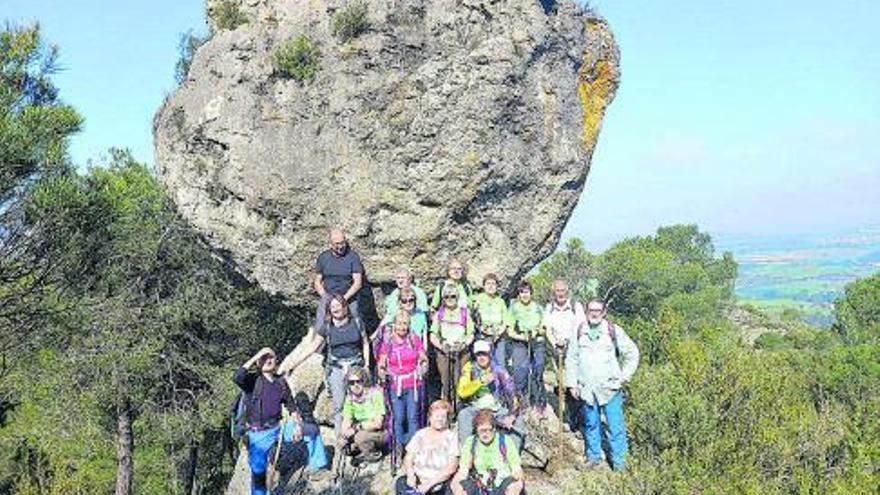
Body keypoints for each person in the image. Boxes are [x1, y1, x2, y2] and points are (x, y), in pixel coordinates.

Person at [565, 299, 640, 471]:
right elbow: (572, 358)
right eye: (591, 310)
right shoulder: (579, 331)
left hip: (610, 389)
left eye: (598, 310)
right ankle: (593, 456)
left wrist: (624, 376)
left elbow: (632, 353)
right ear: (586, 311)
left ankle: (620, 463)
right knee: (591, 424)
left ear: (604, 311)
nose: (594, 313)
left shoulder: (613, 330)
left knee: (615, 426)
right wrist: (572, 384)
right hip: (587, 389)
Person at [281, 294, 369, 435]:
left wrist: (367, 365)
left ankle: (360, 435)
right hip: (336, 368)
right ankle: (341, 439)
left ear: (345, 307)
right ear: (329, 309)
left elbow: (365, 343)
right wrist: (293, 363)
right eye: (332, 306)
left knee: (359, 401)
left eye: (338, 305)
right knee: (339, 404)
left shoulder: (357, 322)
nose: (336, 308)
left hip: (356, 366)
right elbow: (312, 347)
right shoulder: (327, 327)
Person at [233, 347, 311, 495]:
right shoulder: (252, 381)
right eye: (264, 358)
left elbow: (291, 406)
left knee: (312, 432)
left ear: (276, 360)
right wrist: (257, 355)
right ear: (258, 362)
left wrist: (298, 425)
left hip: (278, 430)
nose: (268, 360)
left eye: (271, 357)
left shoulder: (280, 383)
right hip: (258, 434)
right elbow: (237, 377)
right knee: (259, 475)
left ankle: (319, 469)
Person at [377, 311, 429, 459]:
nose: (402, 327)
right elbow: (382, 361)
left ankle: (412, 450)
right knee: (398, 417)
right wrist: (382, 372)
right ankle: (398, 447)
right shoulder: (388, 343)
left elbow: (423, 357)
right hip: (395, 385)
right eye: (399, 323)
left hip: (413, 383)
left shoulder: (414, 339)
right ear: (394, 325)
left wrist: (423, 367)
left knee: (413, 417)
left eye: (405, 323)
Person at [456, 340, 523, 448]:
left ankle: (513, 457)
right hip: (475, 407)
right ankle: (466, 454)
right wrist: (480, 382)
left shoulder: (499, 370)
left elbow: (513, 395)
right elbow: (461, 392)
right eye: (479, 354)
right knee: (463, 415)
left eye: (485, 354)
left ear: (490, 354)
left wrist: (512, 415)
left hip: (496, 409)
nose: (482, 358)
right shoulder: (469, 368)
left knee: (518, 420)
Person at [543, 279, 586, 430]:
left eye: (562, 290)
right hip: (557, 351)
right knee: (561, 384)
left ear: (567, 291)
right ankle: (567, 417)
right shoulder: (549, 308)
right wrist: (555, 343)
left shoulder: (576, 307)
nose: (560, 293)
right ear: (553, 292)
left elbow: (580, 328)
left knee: (574, 383)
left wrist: (568, 341)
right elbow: (547, 329)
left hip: (574, 352)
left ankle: (579, 420)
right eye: (557, 291)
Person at [451, 409, 525, 495]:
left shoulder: (505, 440)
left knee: (514, 486)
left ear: (494, 429)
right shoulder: (471, 442)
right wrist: (457, 484)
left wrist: (517, 483)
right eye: (482, 431)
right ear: (476, 431)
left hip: (502, 481)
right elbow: (463, 469)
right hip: (479, 483)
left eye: (489, 430)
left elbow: (516, 468)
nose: (486, 434)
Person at [395, 400, 460, 495]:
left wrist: (428, 485)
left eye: (443, 417)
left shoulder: (452, 437)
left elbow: (451, 467)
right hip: (418, 480)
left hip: (438, 483)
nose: (440, 419)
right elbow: (408, 458)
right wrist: (410, 474)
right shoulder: (420, 434)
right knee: (400, 482)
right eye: (437, 416)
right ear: (430, 417)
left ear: (447, 419)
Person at [507, 281, 548, 417]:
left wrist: (538, 331)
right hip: (520, 342)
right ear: (518, 294)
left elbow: (545, 326)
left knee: (538, 370)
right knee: (520, 372)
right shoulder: (514, 308)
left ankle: (539, 404)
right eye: (522, 292)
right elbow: (510, 330)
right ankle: (520, 402)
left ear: (531, 293)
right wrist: (521, 336)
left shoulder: (538, 308)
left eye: (527, 292)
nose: (525, 295)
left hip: (537, 342)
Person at [430, 283, 475, 406]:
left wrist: (464, 344)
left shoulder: (464, 313)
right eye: (447, 297)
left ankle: (461, 407)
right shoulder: (439, 314)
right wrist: (441, 346)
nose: (450, 299)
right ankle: (447, 409)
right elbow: (433, 335)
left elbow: (471, 333)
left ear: (458, 297)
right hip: (444, 352)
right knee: (446, 382)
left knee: (460, 381)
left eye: (453, 296)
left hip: (462, 352)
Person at [314, 227, 364, 329]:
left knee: (357, 323)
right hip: (328, 297)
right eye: (337, 244)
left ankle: (363, 343)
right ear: (330, 244)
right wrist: (326, 297)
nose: (340, 246)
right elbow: (317, 282)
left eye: (342, 243)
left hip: (348, 297)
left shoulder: (353, 257)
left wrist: (343, 299)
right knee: (320, 324)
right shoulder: (323, 258)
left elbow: (358, 282)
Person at [338, 366, 387, 464]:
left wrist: (357, 427)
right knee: (342, 442)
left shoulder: (375, 395)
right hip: (362, 431)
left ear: (363, 381)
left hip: (379, 432)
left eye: (358, 381)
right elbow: (347, 419)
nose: (355, 385)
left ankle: (374, 456)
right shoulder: (350, 399)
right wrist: (344, 434)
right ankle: (362, 452)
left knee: (360, 438)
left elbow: (378, 424)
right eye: (351, 383)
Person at [471, 273, 511, 372]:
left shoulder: (500, 301)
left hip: (499, 337)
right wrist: (482, 329)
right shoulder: (477, 299)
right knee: (483, 363)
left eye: (493, 284)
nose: (491, 286)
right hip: (482, 336)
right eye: (488, 283)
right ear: (484, 286)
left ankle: (500, 386)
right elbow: (473, 316)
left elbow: (506, 320)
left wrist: (499, 331)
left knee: (500, 364)